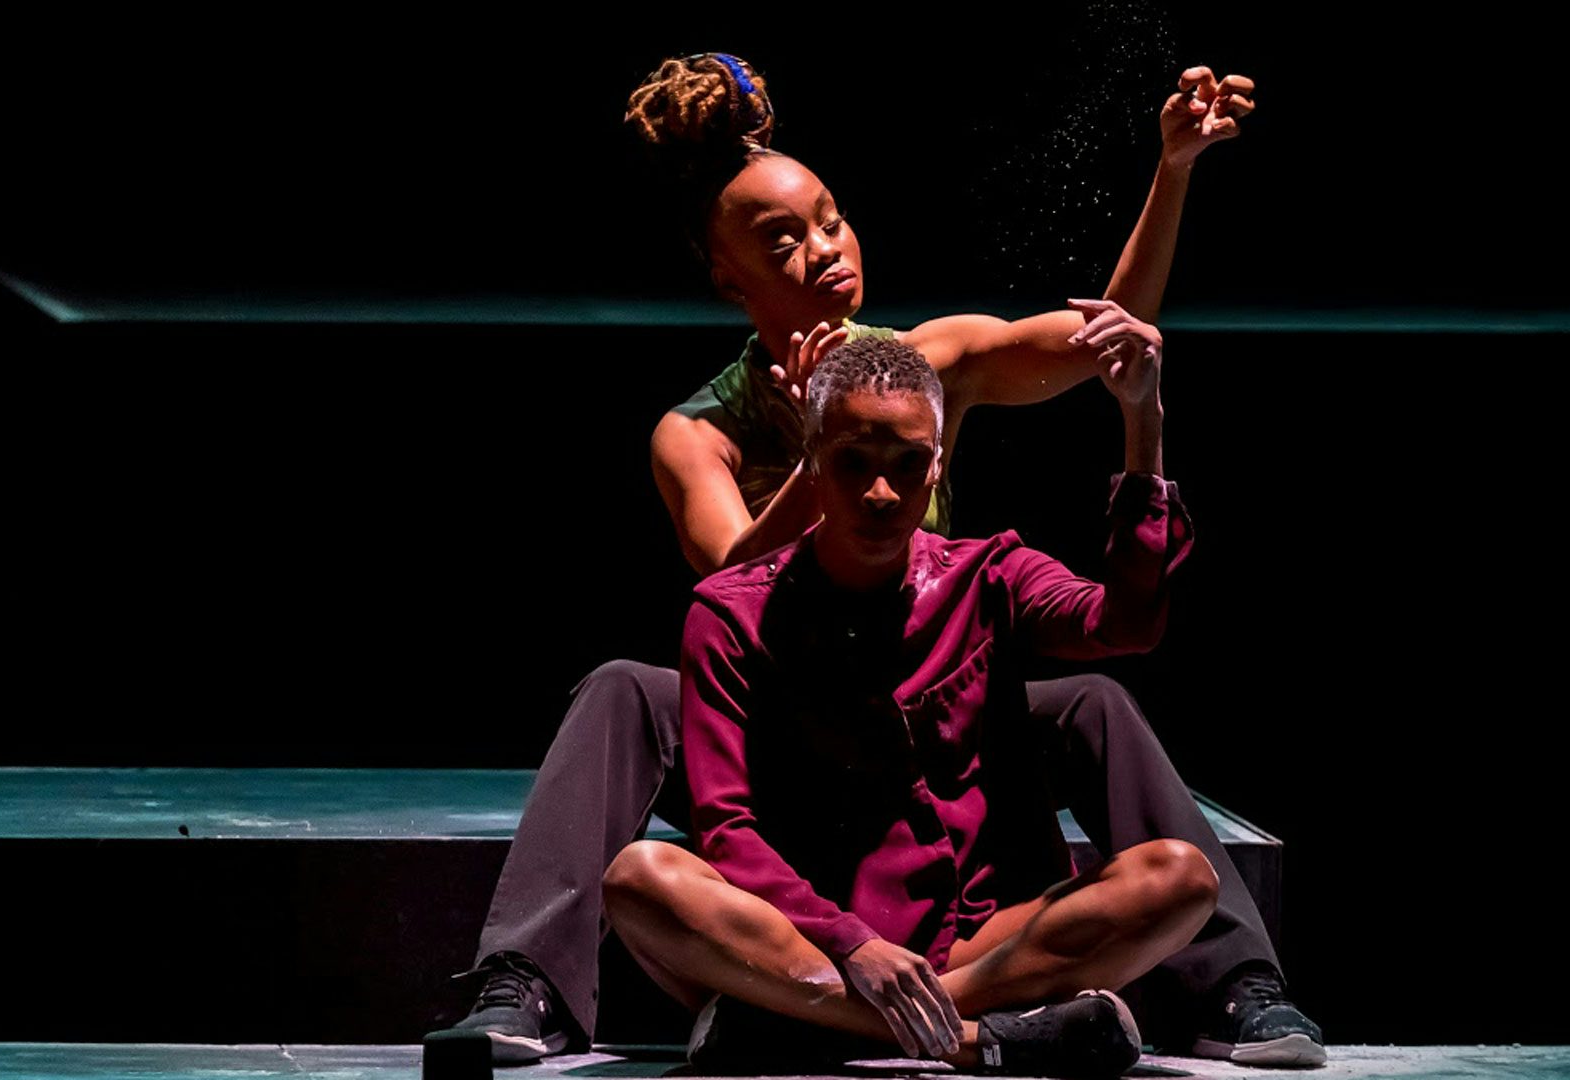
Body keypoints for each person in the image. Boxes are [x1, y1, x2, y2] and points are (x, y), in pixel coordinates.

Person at [425, 51, 1324, 1069]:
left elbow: (1105, 340)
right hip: (784, 723)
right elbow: (733, 589)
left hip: (924, 700)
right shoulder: (697, 432)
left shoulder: (925, 365)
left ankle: (1235, 986)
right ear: (728, 277)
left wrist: (1173, 170)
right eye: (782, 241)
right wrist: (821, 447)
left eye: (831, 221)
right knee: (623, 692)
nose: (823, 251)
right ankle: (526, 981)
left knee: (1094, 703)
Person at [605, 323, 1208, 1077]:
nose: (881, 493)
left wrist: (1142, 421)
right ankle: (978, 1041)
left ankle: (826, 1029)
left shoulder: (988, 574)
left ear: (937, 465)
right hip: (808, 941)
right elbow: (727, 832)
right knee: (641, 880)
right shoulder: (730, 613)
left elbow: (1125, 624)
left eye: (907, 464)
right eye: (853, 462)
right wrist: (851, 942)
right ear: (812, 463)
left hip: (975, 947)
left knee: (1180, 878)